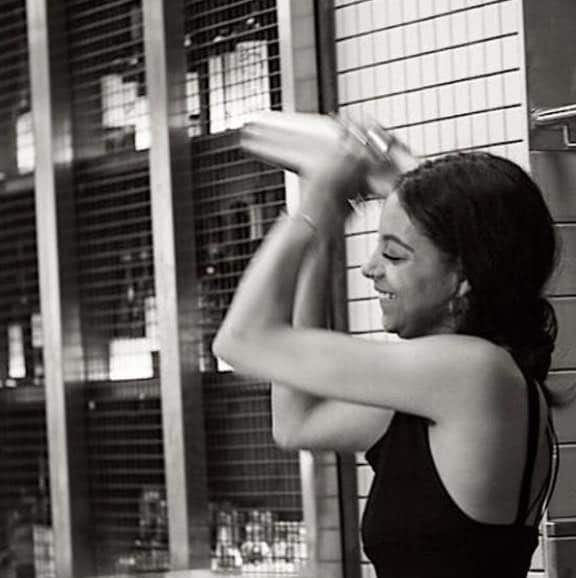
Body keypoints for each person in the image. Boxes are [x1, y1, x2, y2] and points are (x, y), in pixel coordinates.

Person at [213, 112, 564, 578]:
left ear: (463, 279)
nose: (371, 269)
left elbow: (242, 340)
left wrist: (316, 202)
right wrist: (325, 237)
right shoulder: (462, 389)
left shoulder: (472, 373)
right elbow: (297, 422)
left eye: (394, 254)